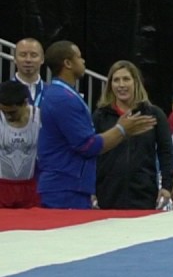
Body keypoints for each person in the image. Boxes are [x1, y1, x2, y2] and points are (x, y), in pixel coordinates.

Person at [37, 42, 156, 209]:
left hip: (69, 184)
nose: (83, 61)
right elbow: (86, 145)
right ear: (68, 64)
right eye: (79, 57)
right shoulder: (63, 99)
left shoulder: (62, 94)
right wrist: (121, 129)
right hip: (65, 186)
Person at [94, 60, 173, 210]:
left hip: (144, 192)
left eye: (126, 79)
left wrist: (167, 186)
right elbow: (91, 153)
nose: (121, 85)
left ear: (135, 82)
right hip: (107, 192)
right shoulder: (100, 116)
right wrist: (90, 190)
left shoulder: (154, 114)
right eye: (116, 80)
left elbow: (166, 153)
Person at [0, 81, 40, 208]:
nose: (8, 116)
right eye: (3, 111)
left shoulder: (39, 116)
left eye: (12, 112)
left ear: (25, 103)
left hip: (30, 188)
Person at [12, 37, 45, 103]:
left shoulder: (51, 93)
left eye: (34, 55)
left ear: (42, 59)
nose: (28, 60)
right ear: (15, 59)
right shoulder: (3, 91)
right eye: (23, 55)